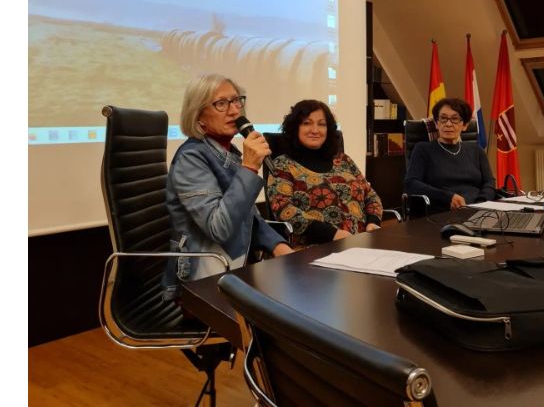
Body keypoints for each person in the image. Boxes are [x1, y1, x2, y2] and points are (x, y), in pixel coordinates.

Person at [162, 73, 293, 301]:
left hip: (237, 268)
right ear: (198, 115)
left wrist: (280, 247)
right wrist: (249, 168)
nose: (234, 111)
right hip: (203, 281)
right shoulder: (191, 158)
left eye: (236, 101)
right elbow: (219, 228)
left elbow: (248, 217)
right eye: (221, 103)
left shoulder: (227, 153)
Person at [266, 99, 383, 246]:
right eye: (307, 123)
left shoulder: (344, 160)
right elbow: (283, 210)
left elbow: (371, 196)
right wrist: (332, 235)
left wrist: (373, 222)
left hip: (361, 244)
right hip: (315, 249)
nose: (315, 130)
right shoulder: (283, 165)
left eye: (321, 124)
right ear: (295, 128)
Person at [404, 97, 495, 211]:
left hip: (477, 210)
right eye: (443, 118)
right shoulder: (423, 149)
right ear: (436, 123)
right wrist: (447, 197)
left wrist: (480, 204)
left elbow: (489, 182)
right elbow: (411, 184)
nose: (448, 124)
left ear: (465, 125)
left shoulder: (476, 150)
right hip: (441, 212)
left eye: (455, 119)